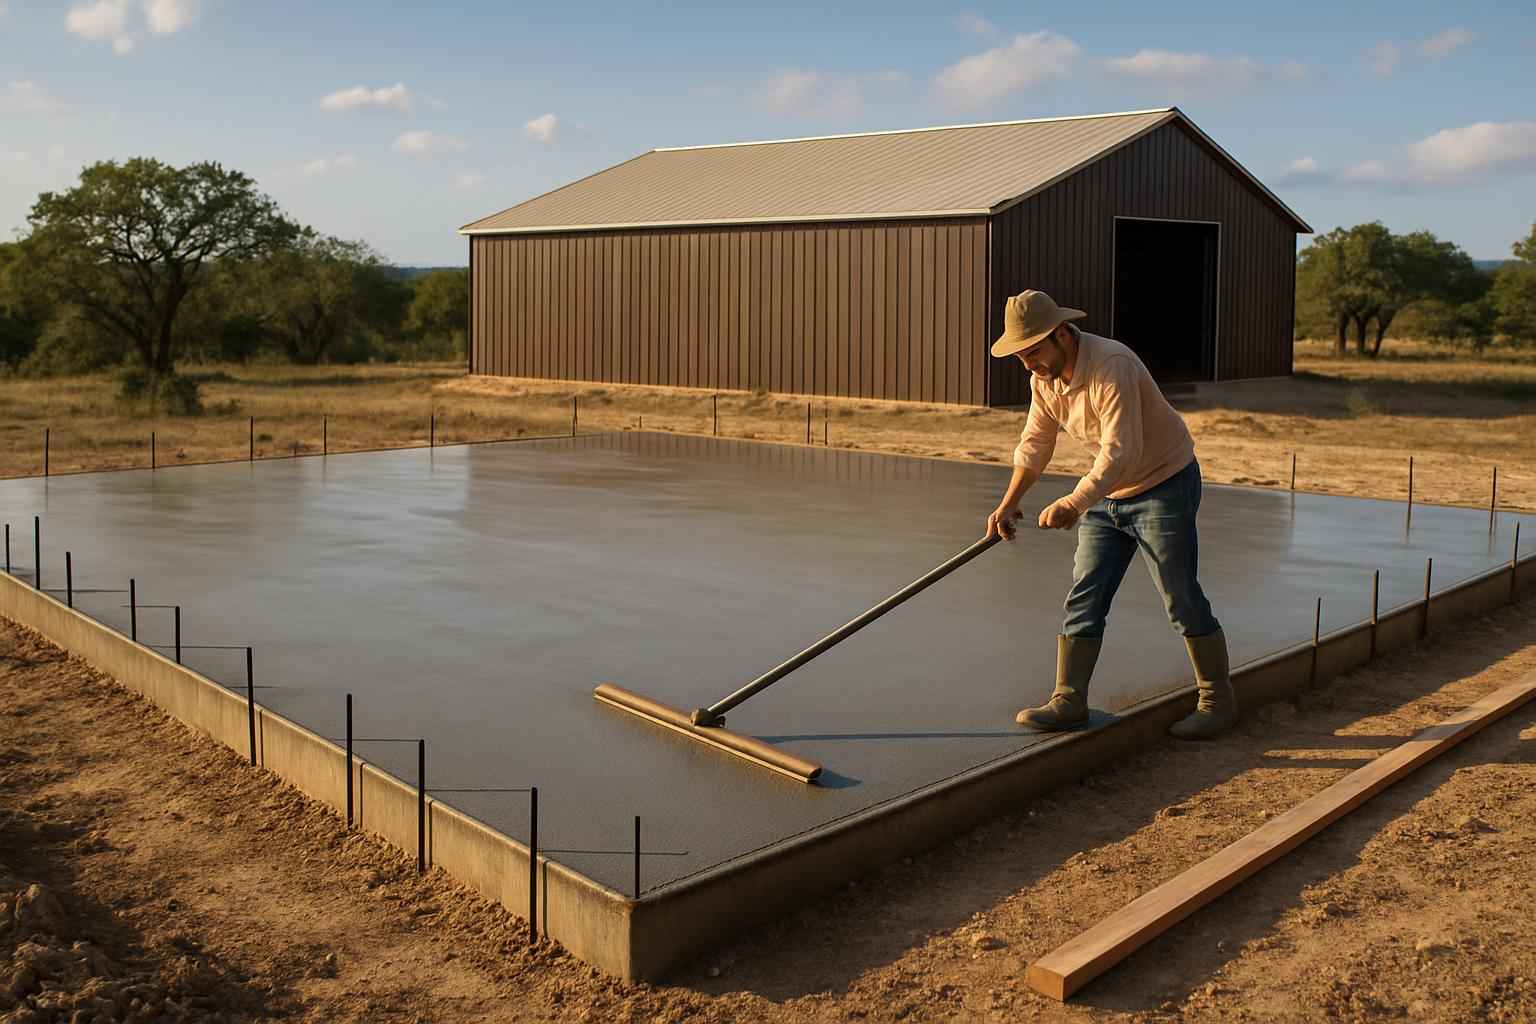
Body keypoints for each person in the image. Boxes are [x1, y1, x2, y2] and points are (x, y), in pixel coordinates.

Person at [983, 289, 1236, 739]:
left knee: (1178, 594)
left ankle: (1218, 701)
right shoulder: (1044, 379)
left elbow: (1122, 451)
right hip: (1109, 489)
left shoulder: (1111, 366)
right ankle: (1069, 700)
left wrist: (1073, 502)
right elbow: (1036, 442)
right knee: (1085, 592)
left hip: (1163, 483)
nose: (1028, 364)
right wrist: (1009, 502)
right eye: (1021, 356)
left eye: (1033, 352)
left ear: (1062, 334)